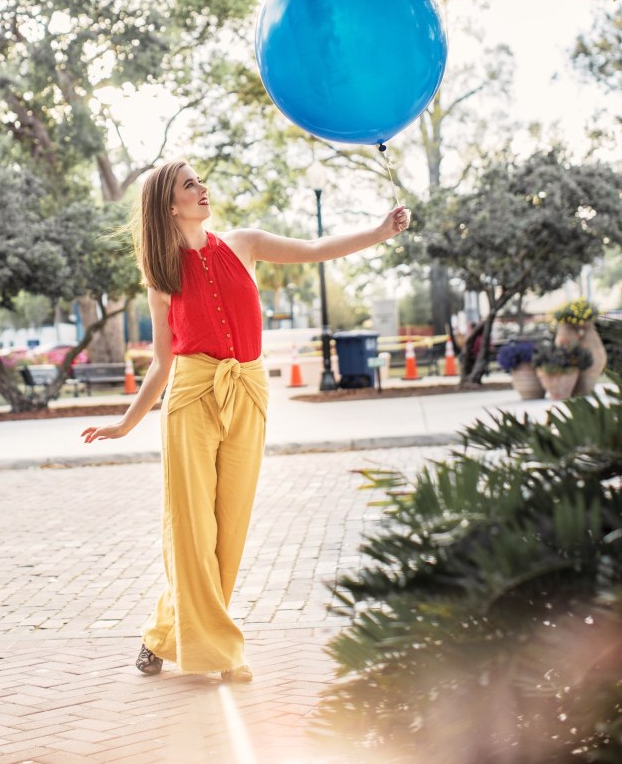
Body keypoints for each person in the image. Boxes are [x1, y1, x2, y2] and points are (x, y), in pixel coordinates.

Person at [81, 160, 409, 682]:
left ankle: (161, 636)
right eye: (190, 184)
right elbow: (162, 363)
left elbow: (315, 250)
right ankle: (220, 652)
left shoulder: (244, 244)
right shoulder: (161, 278)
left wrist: (379, 231)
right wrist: (125, 423)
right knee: (192, 530)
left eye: (199, 180)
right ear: (171, 204)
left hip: (248, 392)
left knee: (227, 530)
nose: (202, 187)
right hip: (191, 395)